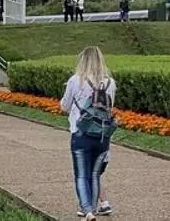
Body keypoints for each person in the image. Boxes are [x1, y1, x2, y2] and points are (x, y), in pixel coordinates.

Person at [60, 47, 116, 221]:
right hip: (102, 135)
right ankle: (91, 207)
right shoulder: (110, 83)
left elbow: (65, 106)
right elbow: (110, 107)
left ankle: (87, 210)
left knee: (81, 174)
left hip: (81, 132)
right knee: (95, 174)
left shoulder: (75, 81)